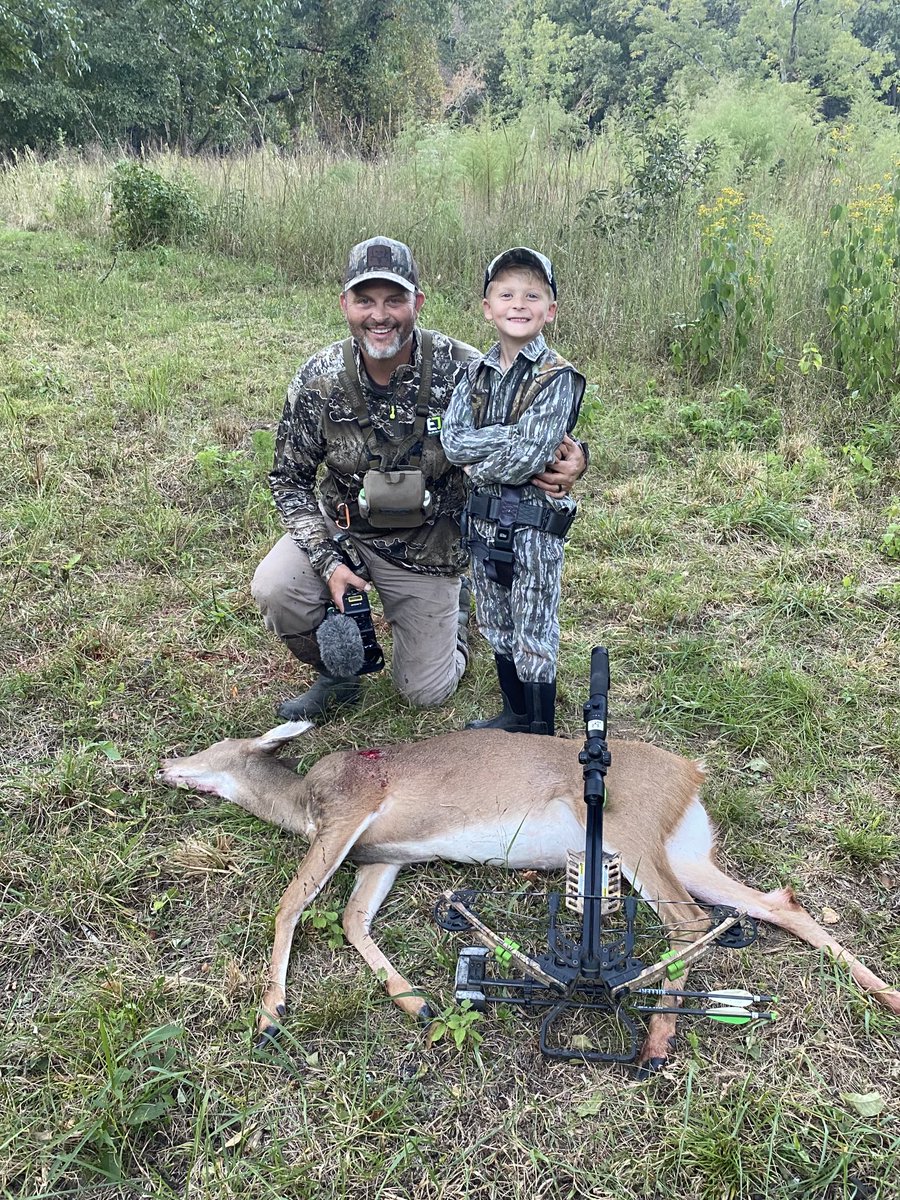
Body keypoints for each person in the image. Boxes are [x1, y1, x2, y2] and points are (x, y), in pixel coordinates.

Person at [252, 237, 586, 720]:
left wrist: (578, 461)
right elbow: (288, 480)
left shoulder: (465, 368)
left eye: (395, 300)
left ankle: (457, 613)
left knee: (425, 692)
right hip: (344, 531)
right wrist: (328, 563)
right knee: (277, 588)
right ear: (345, 304)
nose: (379, 315)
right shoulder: (318, 379)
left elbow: (541, 429)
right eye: (365, 300)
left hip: (428, 547)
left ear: (418, 303)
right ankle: (339, 675)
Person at [440, 247, 586, 737]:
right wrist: (511, 435)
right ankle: (515, 713)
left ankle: (540, 730)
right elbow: (453, 441)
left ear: (550, 309)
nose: (518, 304)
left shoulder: (557, 377)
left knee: (534, 627)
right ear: (487, 307)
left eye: (532, 295)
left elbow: (533, 454)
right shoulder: (472, 374)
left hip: (533, 529)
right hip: (482, 528)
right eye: (505, 294)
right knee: (496, 620)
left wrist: (485, 460)